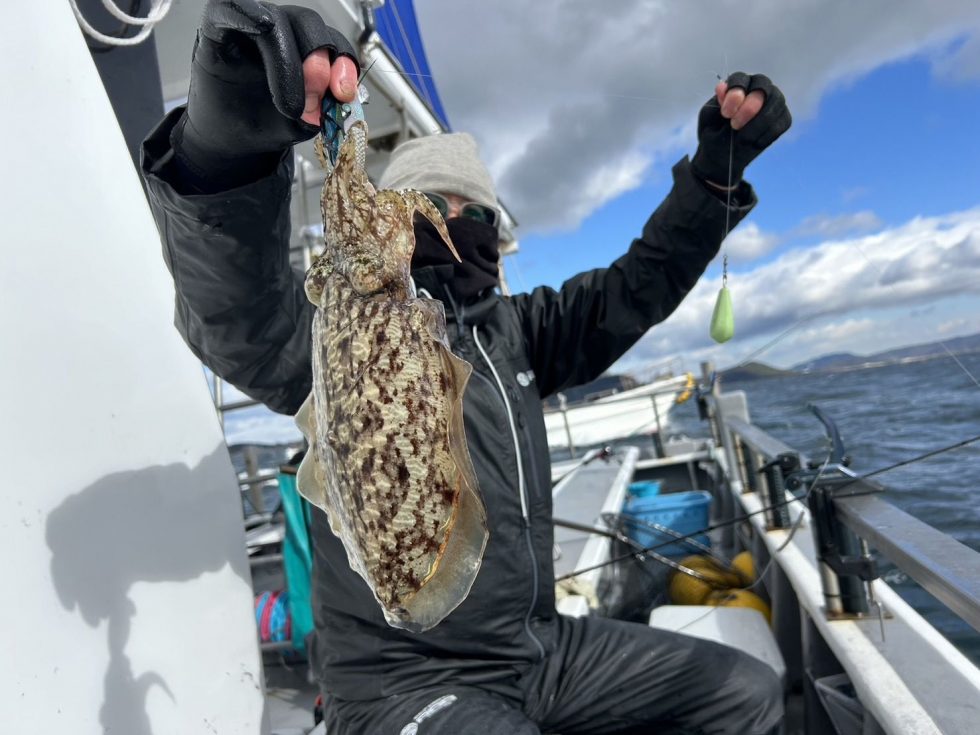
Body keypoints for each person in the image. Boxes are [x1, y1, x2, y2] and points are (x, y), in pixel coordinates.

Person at [141, 2, 792, 732]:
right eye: (431, 209)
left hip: (537, 649)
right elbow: (239, 316)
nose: (454, 226)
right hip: (400, 676)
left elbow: (636, 284)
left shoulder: (519, 333)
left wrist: (709, 182)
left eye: (472, 215)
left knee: (748, 691)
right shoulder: (330, 331)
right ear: (398, 216)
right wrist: (226, 143)